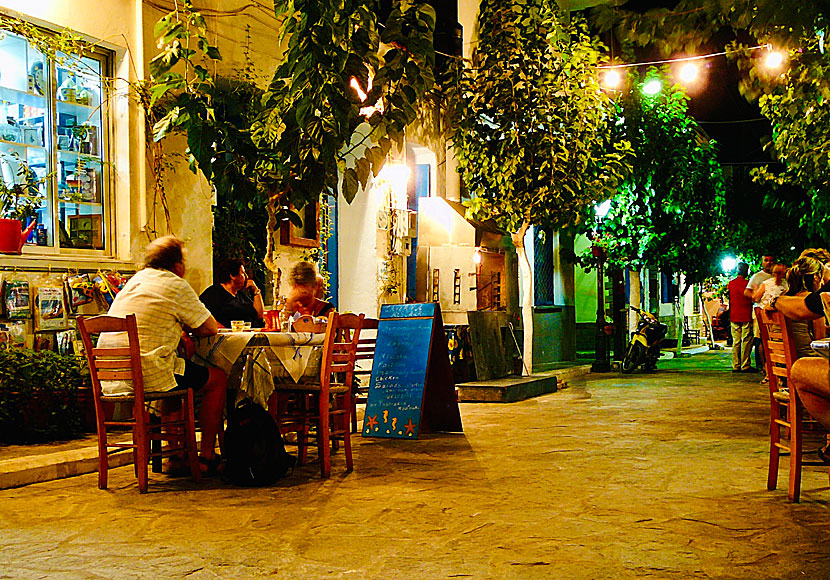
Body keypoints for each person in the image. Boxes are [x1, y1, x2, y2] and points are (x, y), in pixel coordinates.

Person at [99, 236, 227, 475]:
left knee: (175, 374)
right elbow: (209, 327)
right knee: (217, 380)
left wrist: (179, 332)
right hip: (147, 371)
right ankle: (207, 455)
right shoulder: (174, 283)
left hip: (112, 375)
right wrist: (187, 330)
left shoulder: (135, 281)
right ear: (178, 265)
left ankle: (176, 455)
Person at [199, 258, 264, 328]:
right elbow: (203, 316)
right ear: (232, 276)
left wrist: (256, 291)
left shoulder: (241, 295)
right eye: (243, 273)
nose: (246, 276)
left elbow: (259, 315)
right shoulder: (213, 293)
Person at [746, 255, 775, 376]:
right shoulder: (758, 277)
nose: (768, 263)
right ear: (762, 262)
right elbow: (747, 292)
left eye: (771, 260)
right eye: (766, 260)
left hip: (776, 313)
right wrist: (758, 295)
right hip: (761, 311)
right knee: (761, 339)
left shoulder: (779, 278)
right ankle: (762, 365)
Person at [728, 262, 755, 372]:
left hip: (734, 315)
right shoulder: (748, 284)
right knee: (746, 341)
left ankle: (736, 364)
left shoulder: (731, 283)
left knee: (736, 341)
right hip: (746, 314)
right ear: (747, 271)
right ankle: (745, 364)